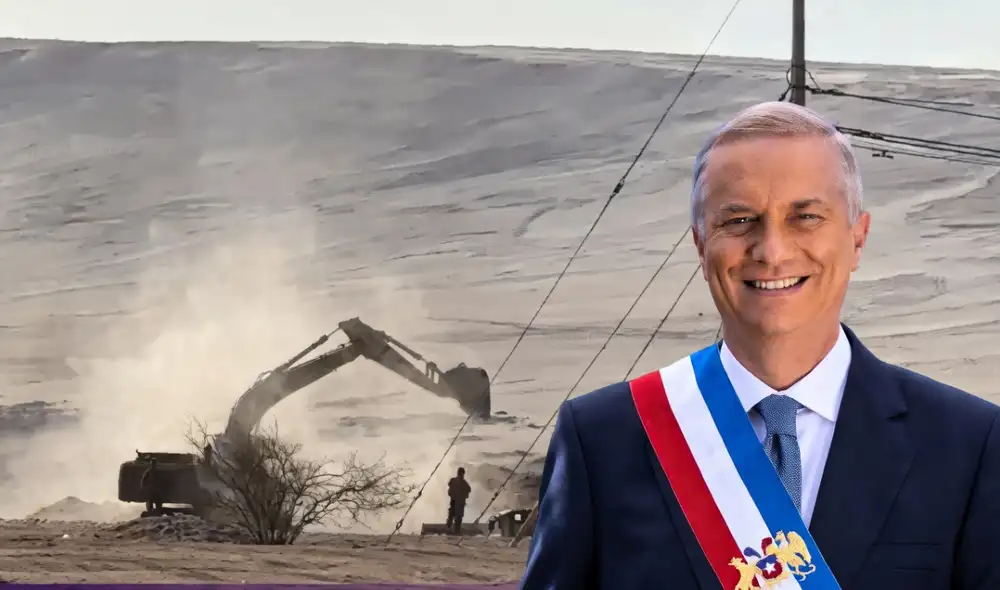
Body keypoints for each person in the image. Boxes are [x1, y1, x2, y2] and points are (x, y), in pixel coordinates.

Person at [520, 101, 1000, 590]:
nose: (771, 251)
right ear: (700, 244)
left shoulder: (968, 443)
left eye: (806, 217)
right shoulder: (603, 439)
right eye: (740, 220)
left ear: (858, 239)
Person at [446, 467, 472, 535]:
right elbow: (469, 490)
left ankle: (451, 529)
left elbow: (449, 490)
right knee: (457, 517)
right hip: (458, 502)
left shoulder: (454, 480)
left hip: (455, 501)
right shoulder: (463, 482)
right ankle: (455, 530)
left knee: (453, 516)